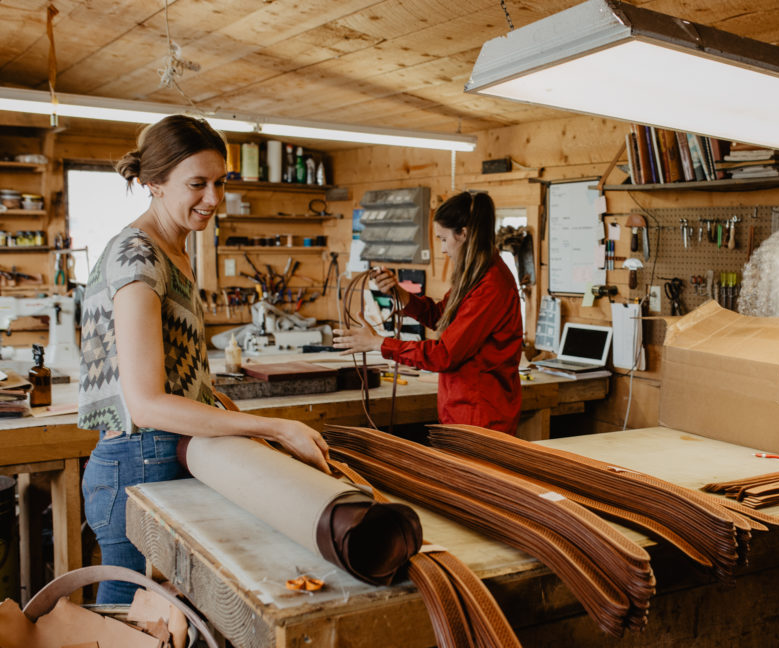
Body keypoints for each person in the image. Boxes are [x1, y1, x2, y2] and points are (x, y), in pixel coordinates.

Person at [79, 115, 329, 603]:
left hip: (168, 452)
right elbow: (147, 404)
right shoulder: (138, 258)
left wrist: (226, 410)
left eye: (220, 182)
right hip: (138, 459)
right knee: (132, 644)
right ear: (153, 183)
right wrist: (275, 428)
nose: (213, 199)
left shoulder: (176, 250)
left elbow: (177, 375)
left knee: (170, 625)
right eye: (197, 184)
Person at [333, 191, 523, 433]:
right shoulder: (475, 275)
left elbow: (443, 355)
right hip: (463, 412)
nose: (443, 249)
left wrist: (379, 343)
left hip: (481, 418)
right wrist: (400, 295)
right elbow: (440, 315)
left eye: (443, 239)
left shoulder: (490, 285)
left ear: (463, 234)